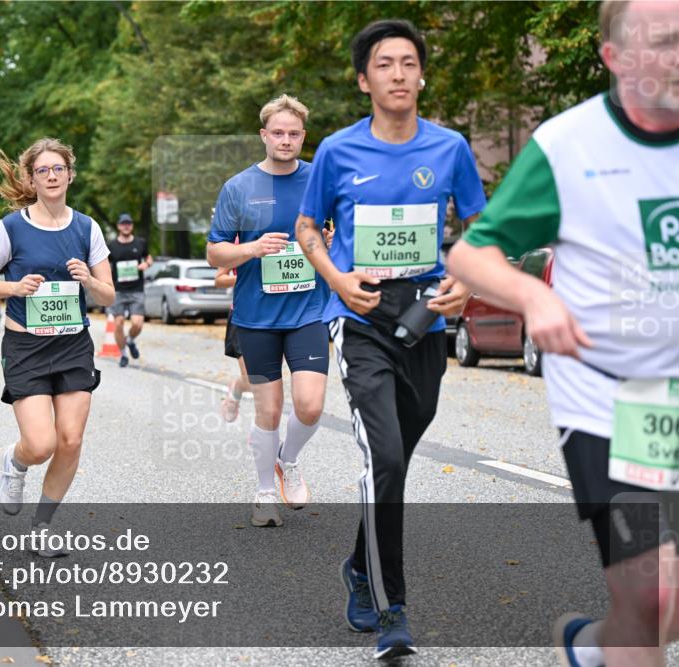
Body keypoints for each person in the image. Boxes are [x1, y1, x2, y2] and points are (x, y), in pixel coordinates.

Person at [448, 2, 679, 665]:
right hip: (613, 398)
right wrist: (532, 296)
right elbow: (471, 255)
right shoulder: (568, 145)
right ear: (616, 58)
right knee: (653, 592)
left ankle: (596, 648)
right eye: (664, 42)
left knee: (655, 606)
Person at [293, 19, 487, 659]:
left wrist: (464, 280)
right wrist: (336, 280)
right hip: (363, 316)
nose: (398, 73)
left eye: (408, 62)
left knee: (396, 456)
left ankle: (357, 563)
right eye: (384, 64)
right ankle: (389, 608)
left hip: (427, 313)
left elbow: (483, 229)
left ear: (421, 75)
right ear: (364, 79)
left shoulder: (451, 147)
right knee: (387, 458)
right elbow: (307, 229)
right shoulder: (337, 152)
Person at [0, 137, 114, 556]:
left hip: (73, 345)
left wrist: (88, 281)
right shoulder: (12, 227)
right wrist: (14, 286)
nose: (51, 176)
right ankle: (15, 463)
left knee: (70, 440)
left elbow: (109, 294)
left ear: (70, 175)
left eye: (58, 169)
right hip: (26, 347)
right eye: (42, 170)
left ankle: (43, 526)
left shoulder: (87, 227)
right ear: (31, 179)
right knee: (41, 444)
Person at [207, 94, 331, 529]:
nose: (286, 139)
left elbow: (341, 231)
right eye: (277, 133)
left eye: (293, 133)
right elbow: (213, 251)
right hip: (257, 316)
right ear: (264, 135)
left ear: (303, 136)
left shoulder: (320, 180)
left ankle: (288, 460)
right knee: (270, 411)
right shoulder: (239, 187)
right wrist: (252, 248)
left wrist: (332, 245)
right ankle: (263, 492)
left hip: (309, 310)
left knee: (312, 406)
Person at [107, 213, 153, 367]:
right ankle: (123, 354)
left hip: (136, 289)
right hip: (118, 290)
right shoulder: (111, 245)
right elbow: (104, 264)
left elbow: (149, 258)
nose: (126, 226)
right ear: (119, 226)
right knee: (118, 322)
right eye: (123, 223)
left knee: (138, 324)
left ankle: (131, 341)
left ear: (132, 226)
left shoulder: (140, 243)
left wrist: (146, 264)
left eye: (129, 223)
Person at [215, 264, 252, 422]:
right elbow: (219, 279)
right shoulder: (235, 241)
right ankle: (236, 390)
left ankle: (263, 432)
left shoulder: (285, 239)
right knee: (253, 379)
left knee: (269, 380)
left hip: (277, 315)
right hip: (243, 315)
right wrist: (245, 278)